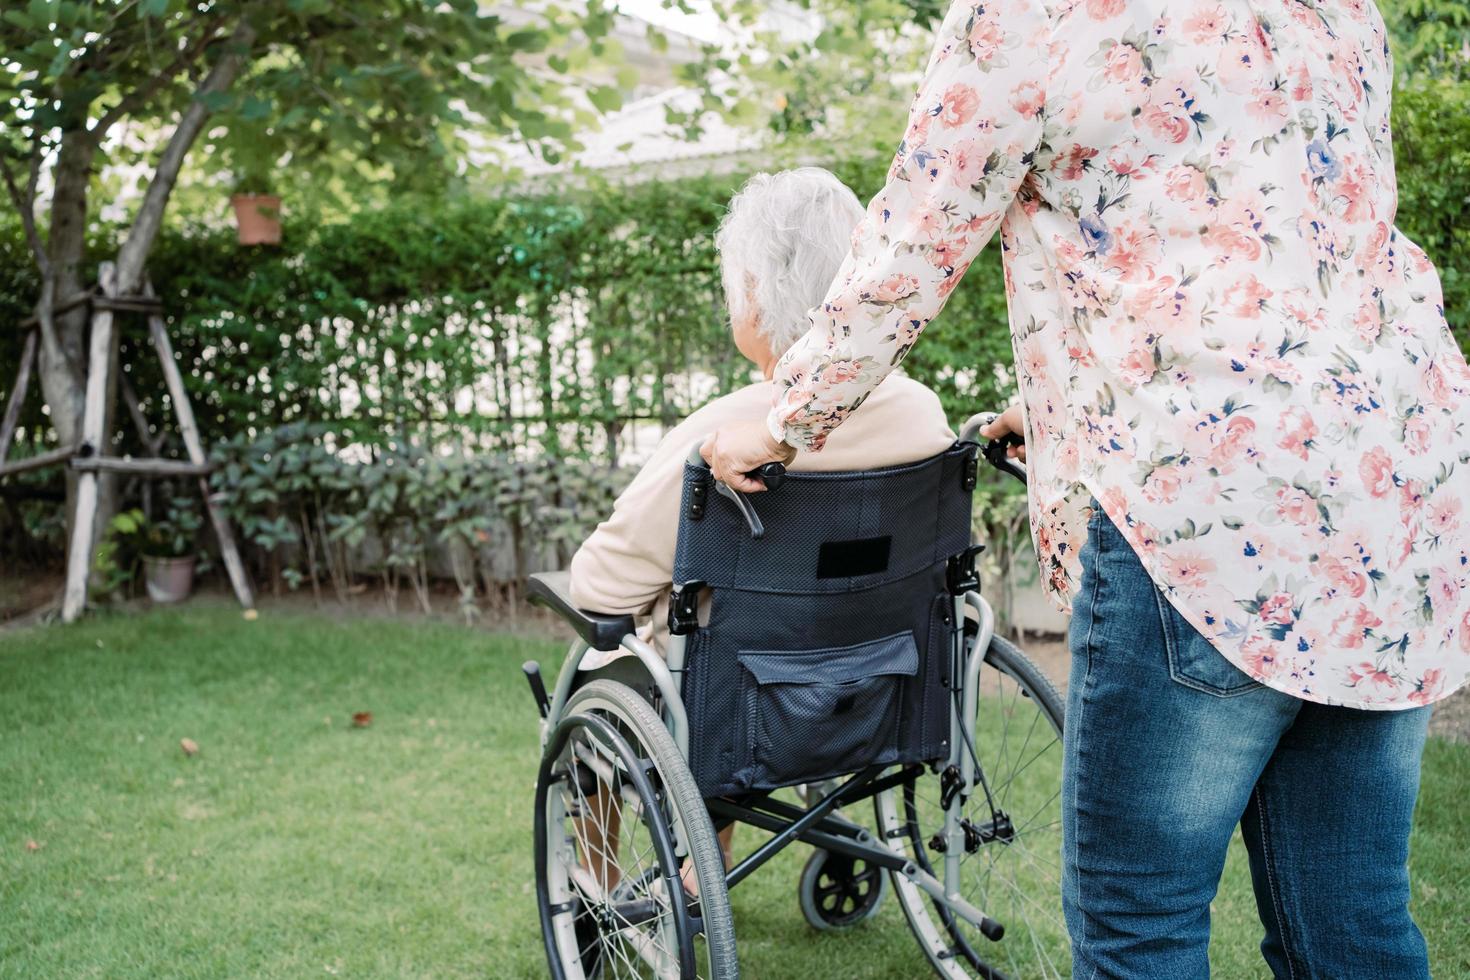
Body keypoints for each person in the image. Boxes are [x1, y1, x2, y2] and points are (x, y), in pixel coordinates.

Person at [702, 1, 1470, 976]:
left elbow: (911, 243)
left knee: (1136, 925)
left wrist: (782, 419)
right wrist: (1061, 406)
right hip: (1394, 484)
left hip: (1206, 496)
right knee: (1350, 923)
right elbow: (1271, 239)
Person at [569, 167, 955, 650]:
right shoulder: (922, 414)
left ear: (753, 292)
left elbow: (602, 586)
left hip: (729, 705)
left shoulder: (721, 433)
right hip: (885, 684)